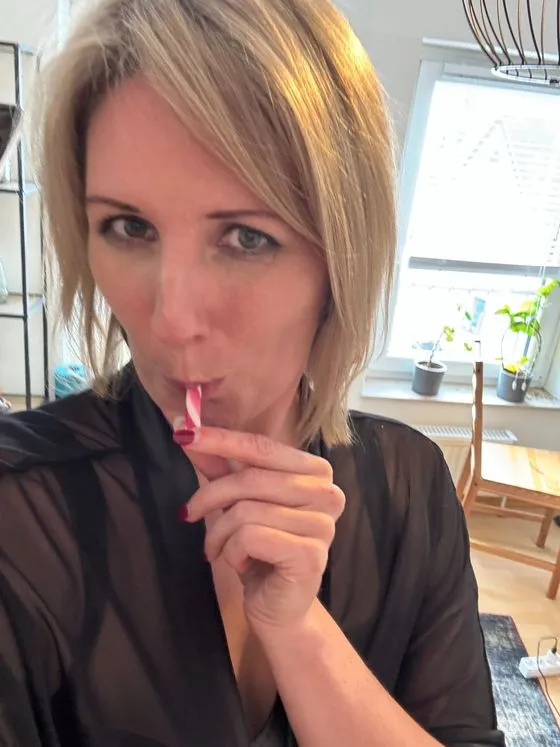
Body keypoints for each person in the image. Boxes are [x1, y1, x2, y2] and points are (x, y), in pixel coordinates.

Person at [0, 1, 506, 745]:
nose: (172, 319)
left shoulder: (412, 487)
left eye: (245, 237)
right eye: (130, 227)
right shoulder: (20, 508)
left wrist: (299, 630)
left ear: (341, 259)